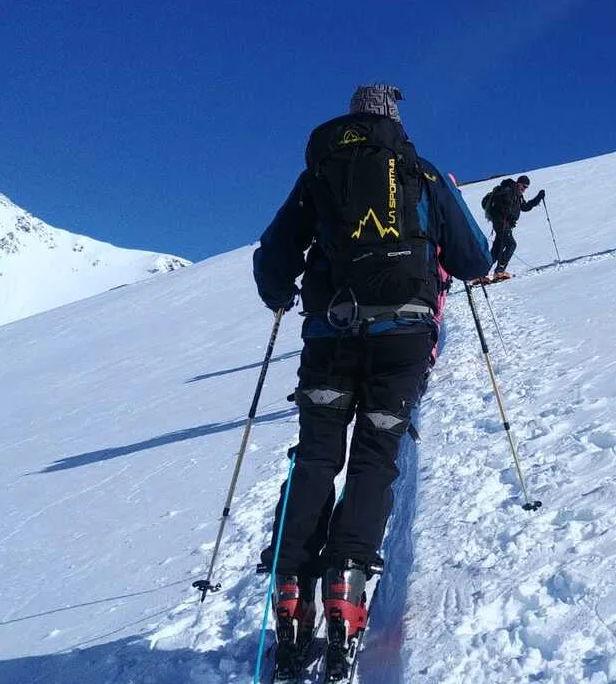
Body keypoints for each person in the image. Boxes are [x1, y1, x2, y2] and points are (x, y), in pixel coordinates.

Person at [251, 84, 491, 680]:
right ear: (394, 120)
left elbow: (274, 257)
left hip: (330, 339)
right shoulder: (422, 173)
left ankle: (291, 593)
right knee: (374, 459)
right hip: (403, 341)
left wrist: (282, 295)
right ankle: (347, 591)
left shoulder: (320, 175)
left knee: (313, 459)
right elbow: (474, 257)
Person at [478, 174, 544, 282]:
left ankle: (482, 274)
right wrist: (508, 213)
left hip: (504, 224)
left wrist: (538, 198)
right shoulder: (508, 190)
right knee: (511, 244)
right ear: (518, 183)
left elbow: (525, 207)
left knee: (497, 249)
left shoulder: (517, 195)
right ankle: (499, 271)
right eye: (523, 186)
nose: (524, 189)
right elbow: (502, 206)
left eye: (526, 187)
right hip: (502, 223)